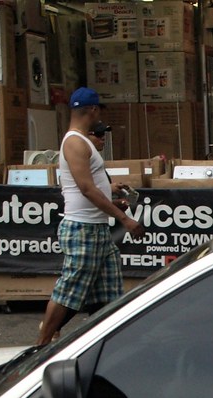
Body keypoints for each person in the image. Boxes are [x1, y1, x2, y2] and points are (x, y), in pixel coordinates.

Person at [37, 87, 141, 345]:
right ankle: (41, 344)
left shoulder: (83, 141)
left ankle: (104, 343)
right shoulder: (74, 142)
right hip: (82, 228)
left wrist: (112, 195)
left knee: (108, 291)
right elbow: (86, 188)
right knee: (70, 289)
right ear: (93, 110)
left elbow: (91, 187)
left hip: (96, 228)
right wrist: (124, 218)